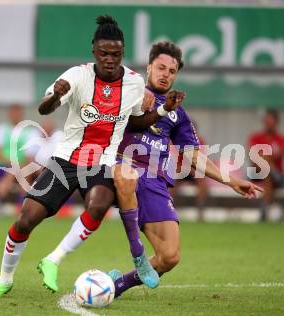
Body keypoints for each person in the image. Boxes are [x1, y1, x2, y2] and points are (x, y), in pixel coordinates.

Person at [0, 15, 180, 299]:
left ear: (122, 53)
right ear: (93, 52)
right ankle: (5, 278)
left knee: (98, 204)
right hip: (65, 160)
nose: (110, 59)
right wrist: (53, 97)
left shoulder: (135, 84)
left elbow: (133, 122)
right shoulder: (76, 76)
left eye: (116, 54)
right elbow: (44, 109)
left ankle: (53, 259)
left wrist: (160, 111)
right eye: (104, 53)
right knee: (26, 219)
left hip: (102, 162)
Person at [104, 41, 261, 297]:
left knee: (170, 257)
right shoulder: (129, 92)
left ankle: (115, 286)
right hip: (121, 168)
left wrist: (231, 181)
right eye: (161, 67)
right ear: (149, 67)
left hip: (154, 182)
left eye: (172, 71)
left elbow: (193, 156)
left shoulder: (178, 113)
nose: (166, 74)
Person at [0, 104, 35, 212]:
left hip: (20, 166)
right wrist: (9, 162)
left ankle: (17, 203)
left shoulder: (29, 132)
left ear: (21, 114)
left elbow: (29, 157)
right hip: (2, 164)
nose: (15, 115)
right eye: (13, 112)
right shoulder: (1, 129)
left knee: (16, 172)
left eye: (17, 112)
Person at [248, 109, 284, 221]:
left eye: (271, 120)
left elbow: (279, 155)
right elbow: (253, 157)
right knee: (265, 168)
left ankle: (264, 211)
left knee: (267, 175)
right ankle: (272, 172)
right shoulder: (255, 137)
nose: (268, 123)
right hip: (256, 172)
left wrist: (262, 156)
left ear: (276, 122)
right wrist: (266, 158)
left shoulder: (283, 140)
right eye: (267, 120)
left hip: (275, 175)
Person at [174, 120, 208, 221]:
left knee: (201, 180)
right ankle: (169, 208)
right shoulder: (177, 139)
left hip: (193, 169)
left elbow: (200, 159)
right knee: (171, 181)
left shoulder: (200, 141)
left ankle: (200, 209)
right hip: (181, 169)